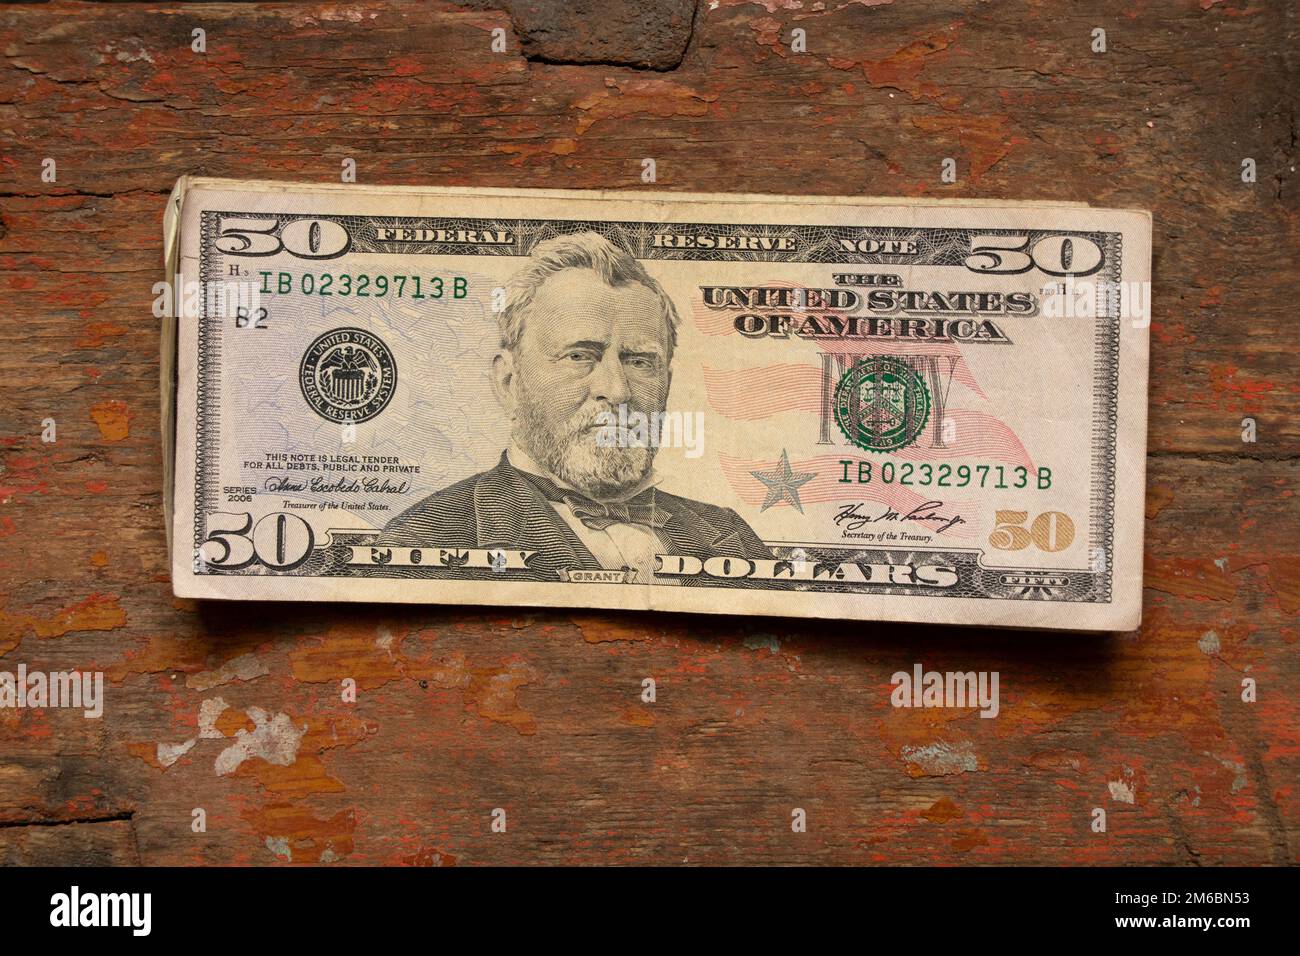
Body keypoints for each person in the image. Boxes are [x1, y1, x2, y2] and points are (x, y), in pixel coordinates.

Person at [378, 231, 770, 583]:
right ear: (509, 383)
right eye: (580, 356)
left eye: (639, 361)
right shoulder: (423, 536)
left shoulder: (728, 534)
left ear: (666, 382)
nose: (617, 390)